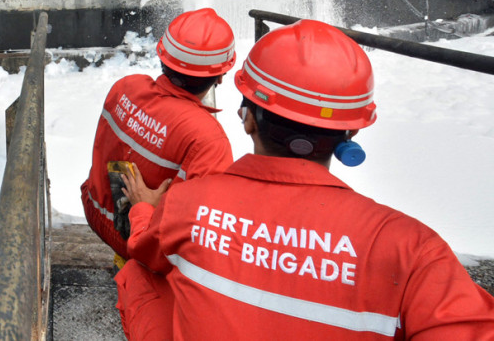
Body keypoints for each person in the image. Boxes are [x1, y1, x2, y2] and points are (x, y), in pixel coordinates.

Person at [115, 19, 494, 340]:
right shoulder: (411, 250)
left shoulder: (191, 202)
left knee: (137, 276)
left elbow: (144, 250)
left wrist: (144, 211)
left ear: (248, 119)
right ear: (351, 133)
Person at [81, 7, 236, 260]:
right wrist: (148, 208)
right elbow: (205, 233)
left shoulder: (125, 87)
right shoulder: (208, 139)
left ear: (162, 57)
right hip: (142, 242)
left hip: (96, 211)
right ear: (220, 76)